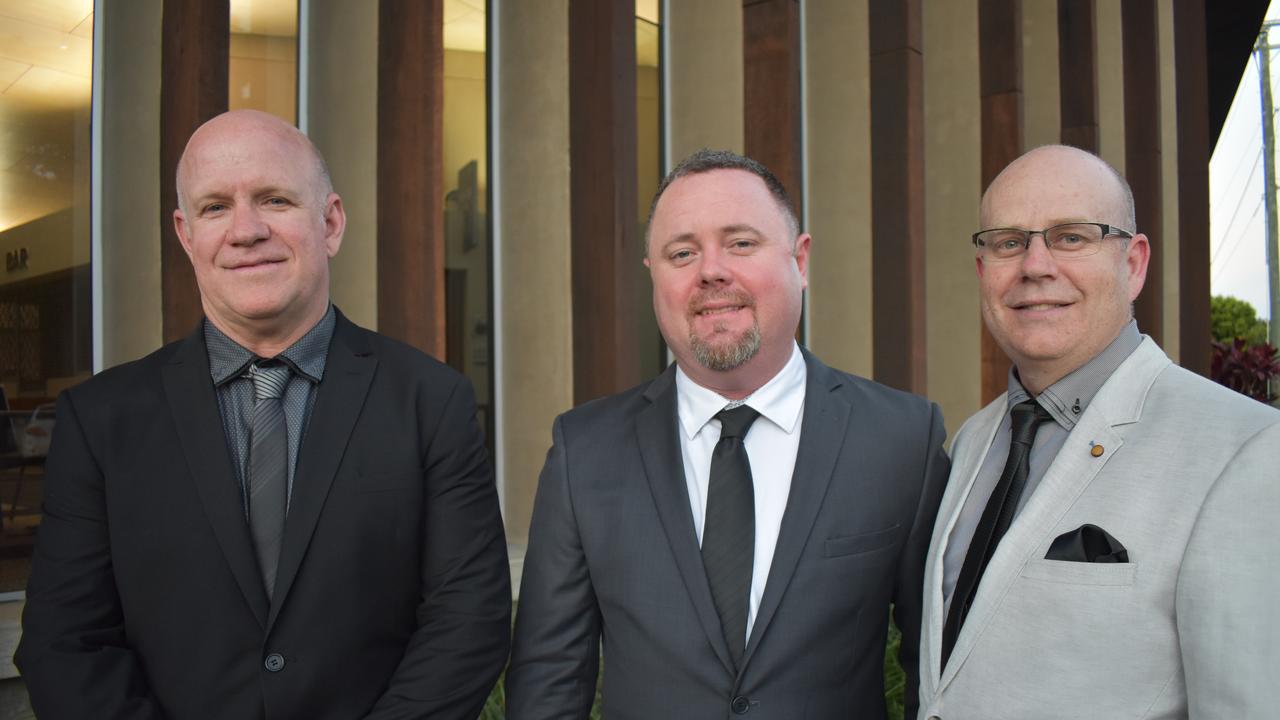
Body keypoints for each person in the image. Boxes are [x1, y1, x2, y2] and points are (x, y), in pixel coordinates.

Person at [15, 109, 511, 719]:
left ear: (329, 222)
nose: (245, 230)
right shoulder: (101, 421)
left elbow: (468, 621)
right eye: (215, 207)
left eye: (274, 200)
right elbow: (65, 643)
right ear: (185, 233)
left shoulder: (430, 401)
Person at [507, 149, 949, 719]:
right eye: (682, 252)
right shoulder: (583, 451)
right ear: (653, 275)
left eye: (740, 243)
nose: (711, 271)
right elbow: (548, 679)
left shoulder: (900, 440)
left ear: (801, 259)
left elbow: (936, 669)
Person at [918, 145, 1280, 719]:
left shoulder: (1246, 451)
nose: (1035, 265)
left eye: (1071, 236)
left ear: (1133, 264)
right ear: (984, 271)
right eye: (1009, 241)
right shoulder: (972, 440)